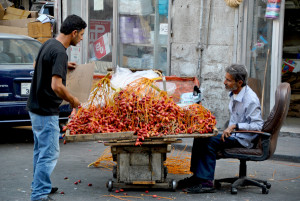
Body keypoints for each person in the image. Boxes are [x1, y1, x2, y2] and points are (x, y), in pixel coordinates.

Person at [177, 64, 264, 193]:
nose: (224, 82)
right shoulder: (235, 93)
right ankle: (197, 177)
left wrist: (235, 126)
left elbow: (258, 125)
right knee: (201, 136)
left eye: (228, 80)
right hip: (234, 134)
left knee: (209, 141)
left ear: (239, 82)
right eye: (225, 78)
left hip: (243, 139)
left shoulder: (250, 99)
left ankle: (206, 182)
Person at [27, 15, 87, 201]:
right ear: (74, 33)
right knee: (49, 154)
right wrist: (74, 101)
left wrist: (61, 66)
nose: (82, 39)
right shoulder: (60, 52)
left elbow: (37, 64)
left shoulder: (48, 44)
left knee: (40, 151)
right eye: (82, 35)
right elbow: (57, 86)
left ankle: (40, 186)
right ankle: (39, 195)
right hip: (46, 111)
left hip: (34, 108)